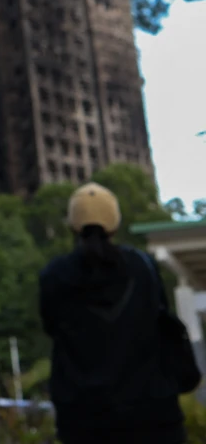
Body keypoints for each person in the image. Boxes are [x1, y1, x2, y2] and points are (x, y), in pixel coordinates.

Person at [40, 182, 194, 444]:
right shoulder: (142, 266)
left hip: (84, 421)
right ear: (115, 223)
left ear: (72, 225)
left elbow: (51, 327)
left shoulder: (54, 276)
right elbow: (161, 319)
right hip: (154, 416)